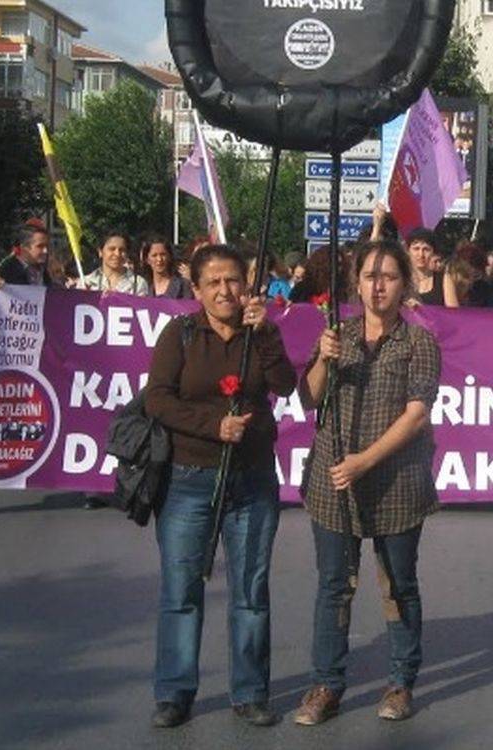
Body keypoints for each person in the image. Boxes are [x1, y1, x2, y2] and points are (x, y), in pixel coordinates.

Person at [144, 244, 296, 729]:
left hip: (251, 480)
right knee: (181, 589)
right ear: (198, 290)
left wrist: (267, 333)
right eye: (214, 283)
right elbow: (158, 401)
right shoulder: (181, 334)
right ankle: (174, 691)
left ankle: (250, 691)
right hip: (190, 479)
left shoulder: (260, 333)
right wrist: (214, 426)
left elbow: (287, 385)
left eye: (233, 280)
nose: (225, 291)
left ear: (246, 282)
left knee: (250, 591)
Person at [294, 239, 441, 726]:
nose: (378, 286)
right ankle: (327, 685)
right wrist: (323, 359)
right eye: (369, 276)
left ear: (405, 284)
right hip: (333, 482)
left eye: (389, 276)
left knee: (397, 585)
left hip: (397, 482)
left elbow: (417, 414)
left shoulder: (418, 342)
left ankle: (401, 681)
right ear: (355, 283)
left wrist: (365, 461)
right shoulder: (338, 336)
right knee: (335, 586)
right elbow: (310, 399)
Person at [78, 232, 150, 295]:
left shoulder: (138, 283)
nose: (117, 254)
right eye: (112, 249)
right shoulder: (86, 282)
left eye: (122, 250)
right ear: (100, 252)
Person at [406, 228, 459, 307]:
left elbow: (453, 313)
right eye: (416, 249)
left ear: (433, 252)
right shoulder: (401, 277)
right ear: (408, 251)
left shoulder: (443, 278)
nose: (421, 254)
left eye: (426, 249)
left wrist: (422, 310)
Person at [141, 235, 193, 299]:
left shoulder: (183, 285)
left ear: (169, 257)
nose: (159, 259)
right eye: (154, 255)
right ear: (147, 260)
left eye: (163, 254)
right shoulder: (143, 287)